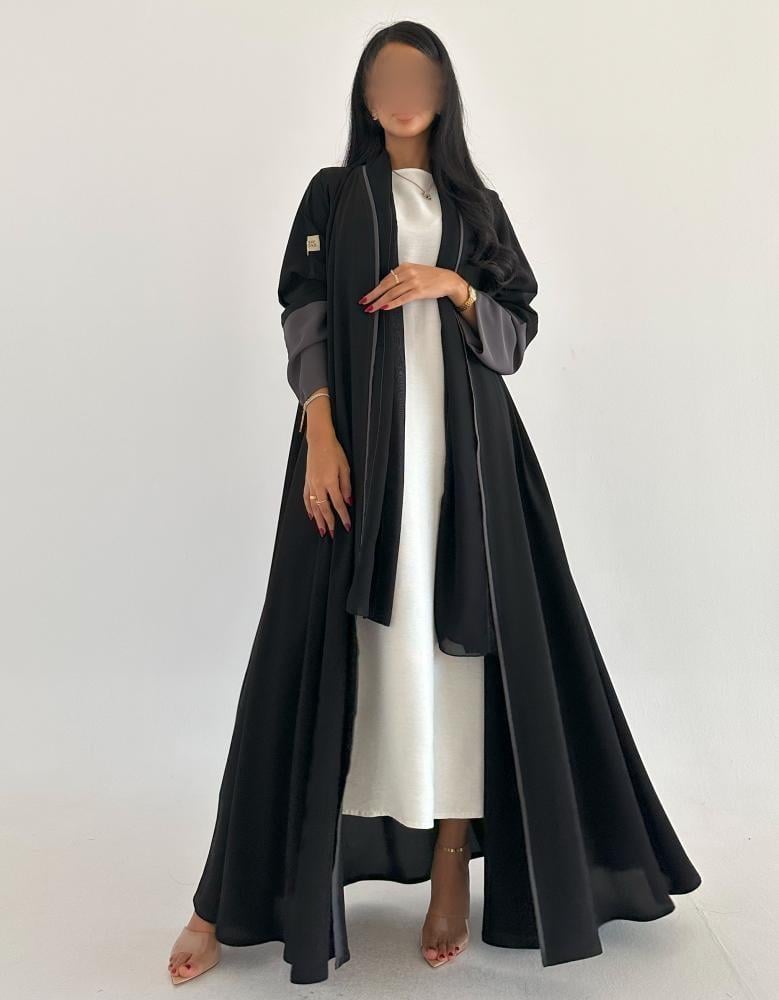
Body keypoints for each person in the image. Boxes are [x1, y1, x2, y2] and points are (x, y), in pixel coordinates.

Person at [168, 20, 702, 987]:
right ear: (366, 98)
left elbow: (514, 331)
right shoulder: (333, 195)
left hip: (469, 466)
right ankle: (224, 900)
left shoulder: (475, 206)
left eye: (419, 78)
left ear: (444, 92)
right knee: (301, 657)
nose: (403, 93)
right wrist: (319, 435)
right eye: (386, 79)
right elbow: (303, 312)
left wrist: (454, 284)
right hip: (354, 464)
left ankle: (451, 866)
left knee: (463, 658)